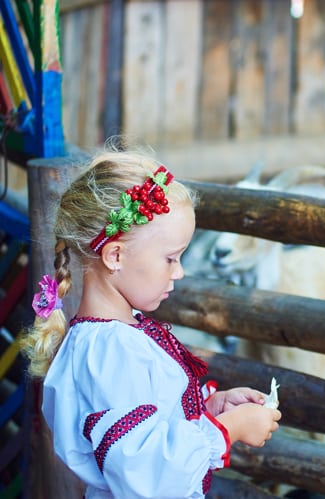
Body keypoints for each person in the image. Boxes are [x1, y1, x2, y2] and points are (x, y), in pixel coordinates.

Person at [21, 149, 282, 498]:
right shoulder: (111, 351)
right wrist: (227, 430)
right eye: (171, 258)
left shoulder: (113, 338)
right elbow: (145, 473)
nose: (180, 272)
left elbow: (148, 424)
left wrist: (210, 410)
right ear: (115, 255)